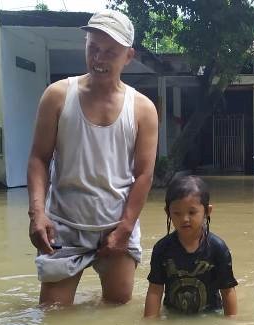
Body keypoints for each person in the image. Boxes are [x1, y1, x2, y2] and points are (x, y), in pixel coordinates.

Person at [26, 9, 158, 306]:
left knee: (117, 309)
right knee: (54, 314)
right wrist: (37, 214)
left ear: (128, 56)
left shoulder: (143, 109)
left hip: (116, 222)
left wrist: (125, 229)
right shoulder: (57, 95)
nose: (99, 59)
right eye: (93, 49)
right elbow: (38, 158)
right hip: (63, 223)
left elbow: (144, 175)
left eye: (110, 52)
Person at [144, 176, 238, 318]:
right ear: (167, 212)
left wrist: (232, 323)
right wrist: (149, 323)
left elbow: (227, 290)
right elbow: (155, 290)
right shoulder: (162, 249)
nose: (185, 219)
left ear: (207, 211)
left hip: (211, 314)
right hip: (173, 314)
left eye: (192, 212)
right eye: (177, 213)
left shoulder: (218, 248)